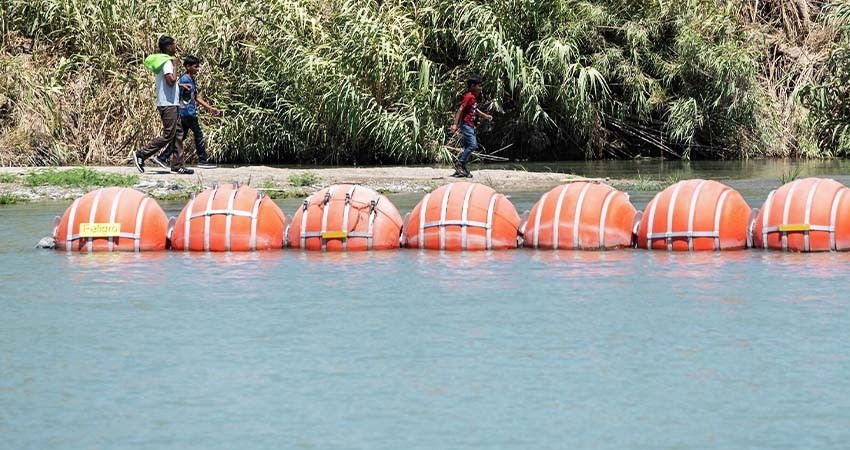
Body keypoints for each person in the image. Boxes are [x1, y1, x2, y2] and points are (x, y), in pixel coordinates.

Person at [132, 35, 193, 174]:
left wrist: (180, 84)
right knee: (168, 134)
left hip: (172, 102)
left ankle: (178, 165)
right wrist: (176, 66)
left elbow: (171, 83)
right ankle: (141, 154)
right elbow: (170, 81)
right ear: (168, 47)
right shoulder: (167, 63)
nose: (176, 46)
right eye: (174, 44)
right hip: (167, 104)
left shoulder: (166, 62)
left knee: (178, 133)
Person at [153, 55, 221, 169]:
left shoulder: (191, 79)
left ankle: (162, 157)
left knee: (181, 137)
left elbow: (196, 97)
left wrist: (210, 108)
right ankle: (202, 160)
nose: (197, 69)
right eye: (196, 66)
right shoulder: (184, 79)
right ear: (188, 67)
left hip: (186, 113)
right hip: (187, 112)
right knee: (198, 134)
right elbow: (176, 88)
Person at [449, 75, 493, 178]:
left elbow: (475, 109)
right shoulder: (468, 96)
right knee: (473, 145)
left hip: (470, 125)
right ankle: (459, 164)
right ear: (472, 86)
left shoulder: (473, 97)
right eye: (479, 85)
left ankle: (461, 168)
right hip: (466, 124)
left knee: (468, 147)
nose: (480, 88)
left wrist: (485, 116)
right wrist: (455, 124)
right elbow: (460, 109)